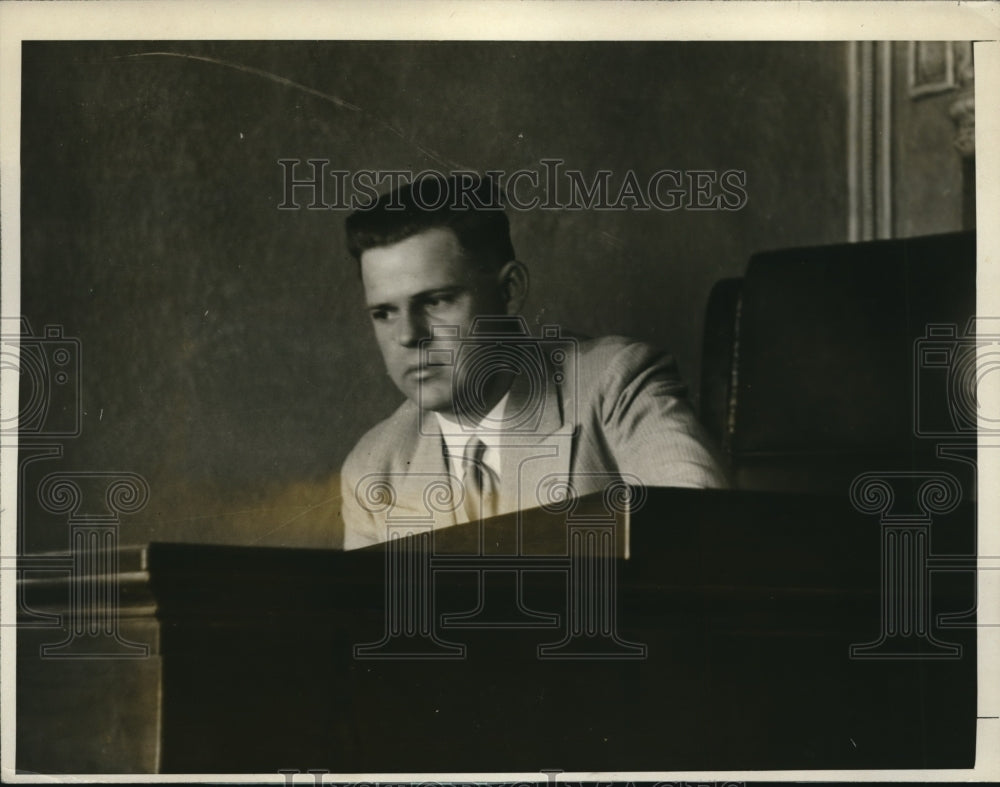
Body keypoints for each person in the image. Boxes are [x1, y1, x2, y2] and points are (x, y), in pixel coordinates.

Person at [340, 174, 727, 550]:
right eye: (384, 313)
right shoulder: (374, 465)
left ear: (510, 292)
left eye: (436, 301)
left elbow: (701, 541)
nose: (408, 335)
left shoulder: (616, 386)